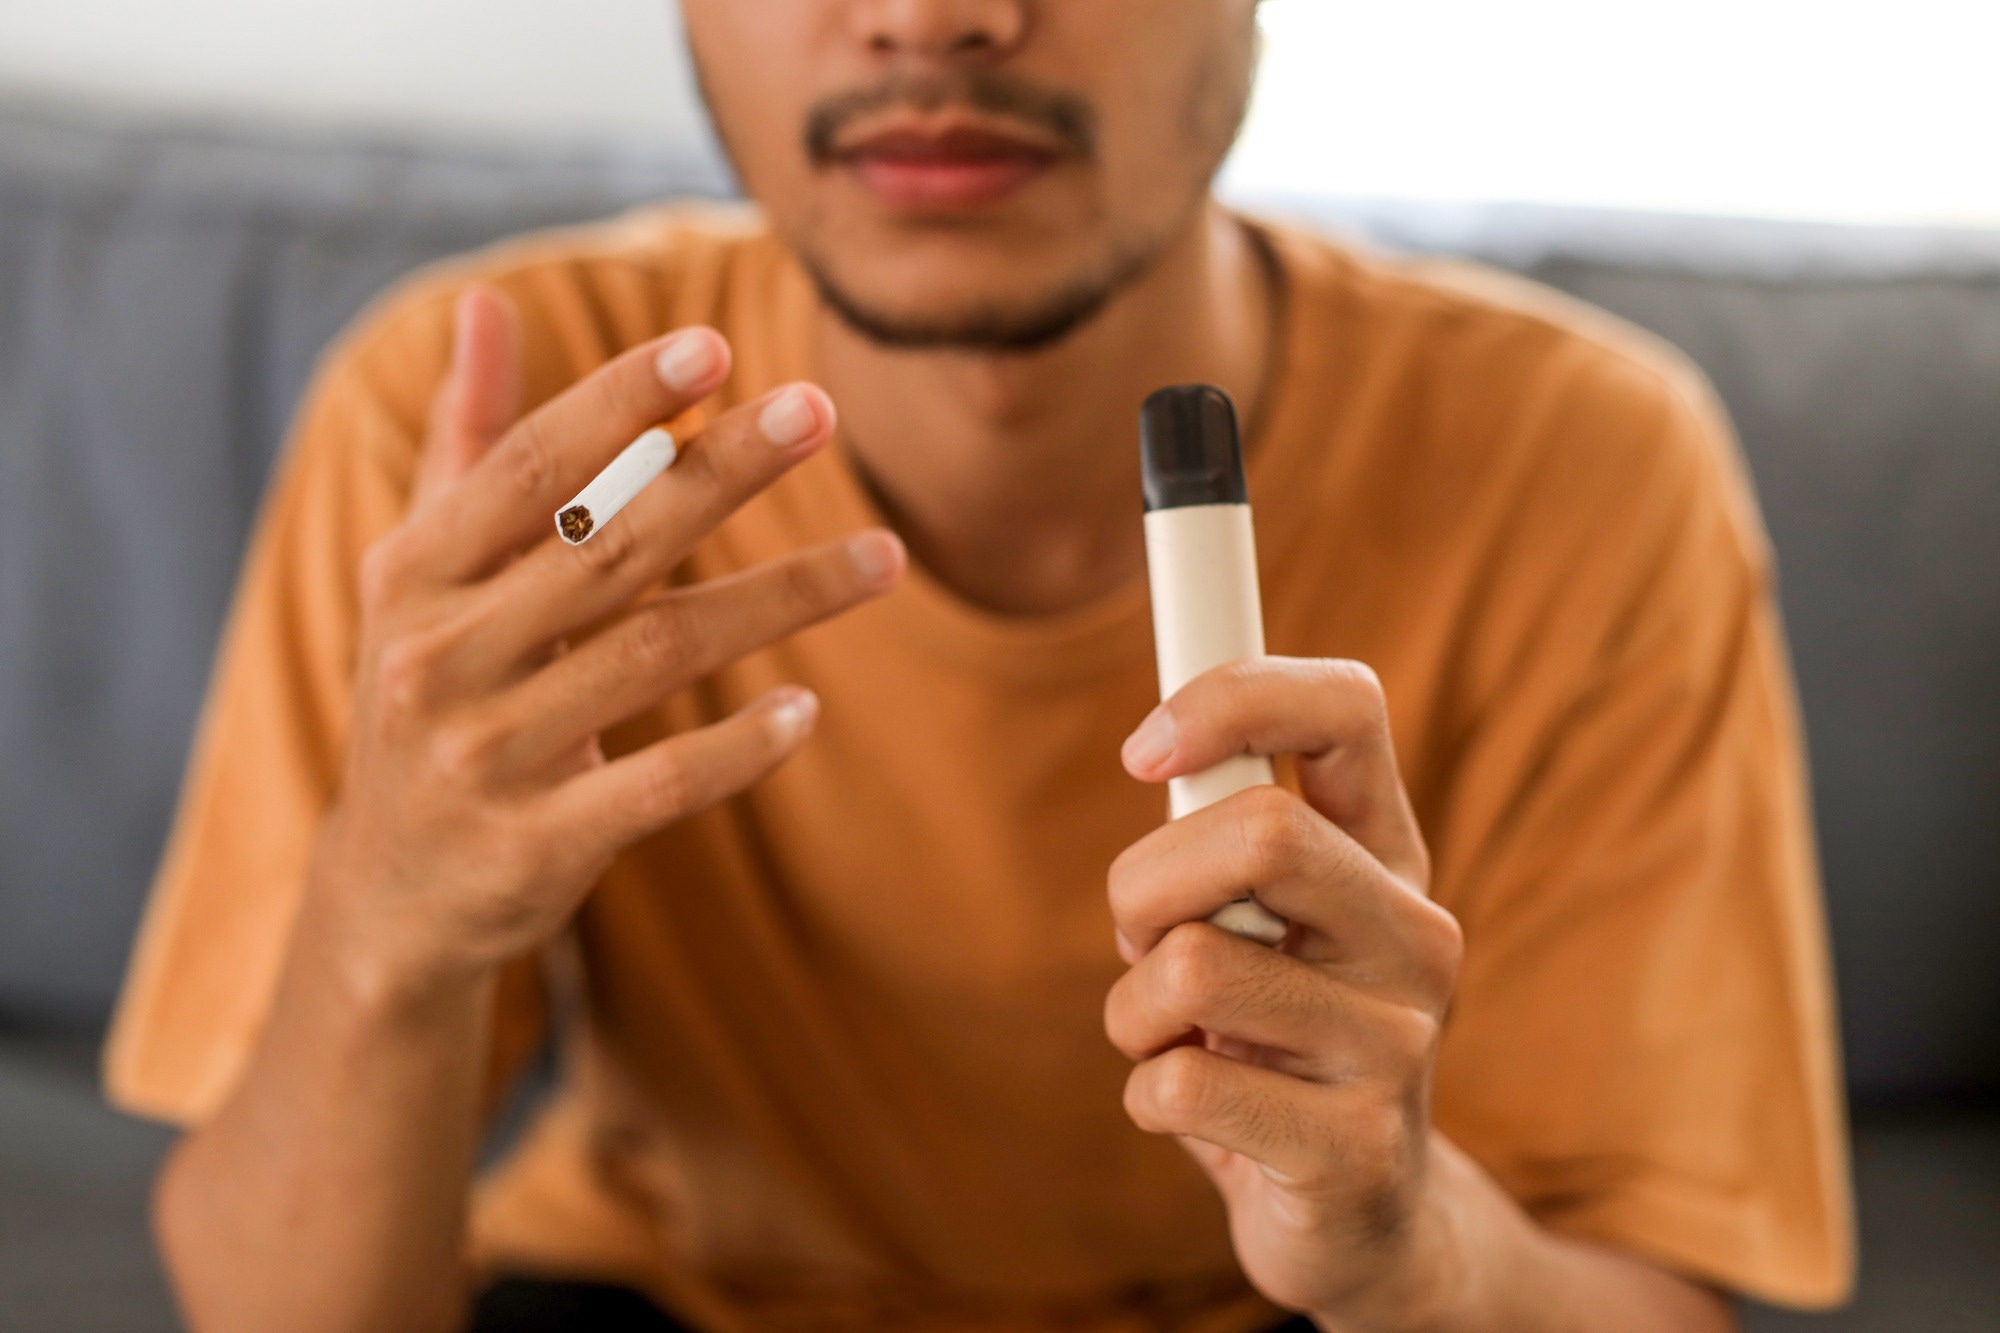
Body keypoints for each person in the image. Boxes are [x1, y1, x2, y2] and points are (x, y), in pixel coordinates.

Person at [103, 3, 1853, 1330]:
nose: (939, 15)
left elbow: (1649, 1293)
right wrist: (385, 925)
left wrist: (1402, 1231)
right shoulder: (489, 440)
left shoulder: (1590, 466)